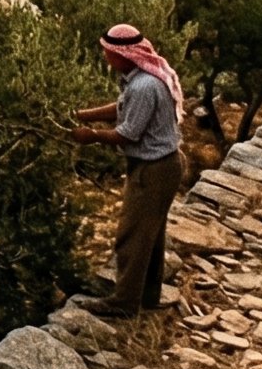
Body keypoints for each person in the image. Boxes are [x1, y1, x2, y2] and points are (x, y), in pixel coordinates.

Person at [70, 22, 186, 317]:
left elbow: (127, 133)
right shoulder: (138, 80)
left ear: (122, 54)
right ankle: (147, 297)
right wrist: (84, 115)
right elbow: (122, 107)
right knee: (151, 235)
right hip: (163, 164)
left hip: (154, 168)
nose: (106, 58)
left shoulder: (144, 86)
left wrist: (91, 136)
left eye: (108, 52)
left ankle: (124, 303)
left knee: (131, 235)